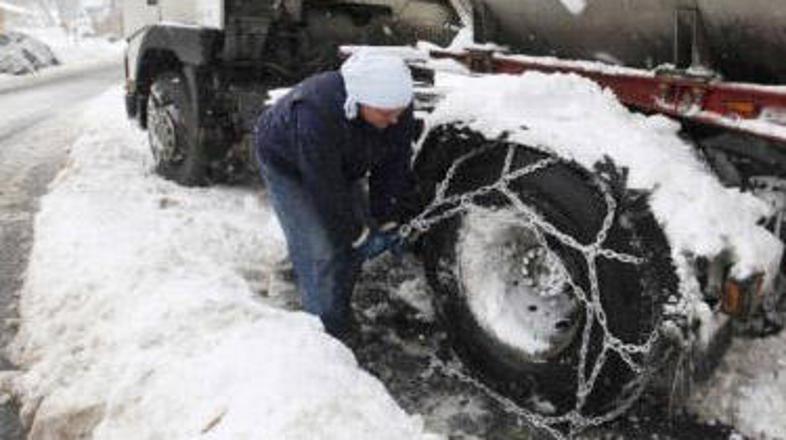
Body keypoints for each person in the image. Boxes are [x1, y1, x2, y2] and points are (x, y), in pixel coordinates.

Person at [254, 51, 419, 339]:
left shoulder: (394, 107)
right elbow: (324, 187)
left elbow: (393, 164)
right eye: (386, 113)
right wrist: (355, 233)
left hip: (340, 162)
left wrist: (388, 217)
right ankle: (324, 334)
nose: (395, 120)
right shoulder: (315, 114)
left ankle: (324, 296)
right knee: (323, 249)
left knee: (350, 243)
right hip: (290, 164)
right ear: (359, 101)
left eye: (399, 111)